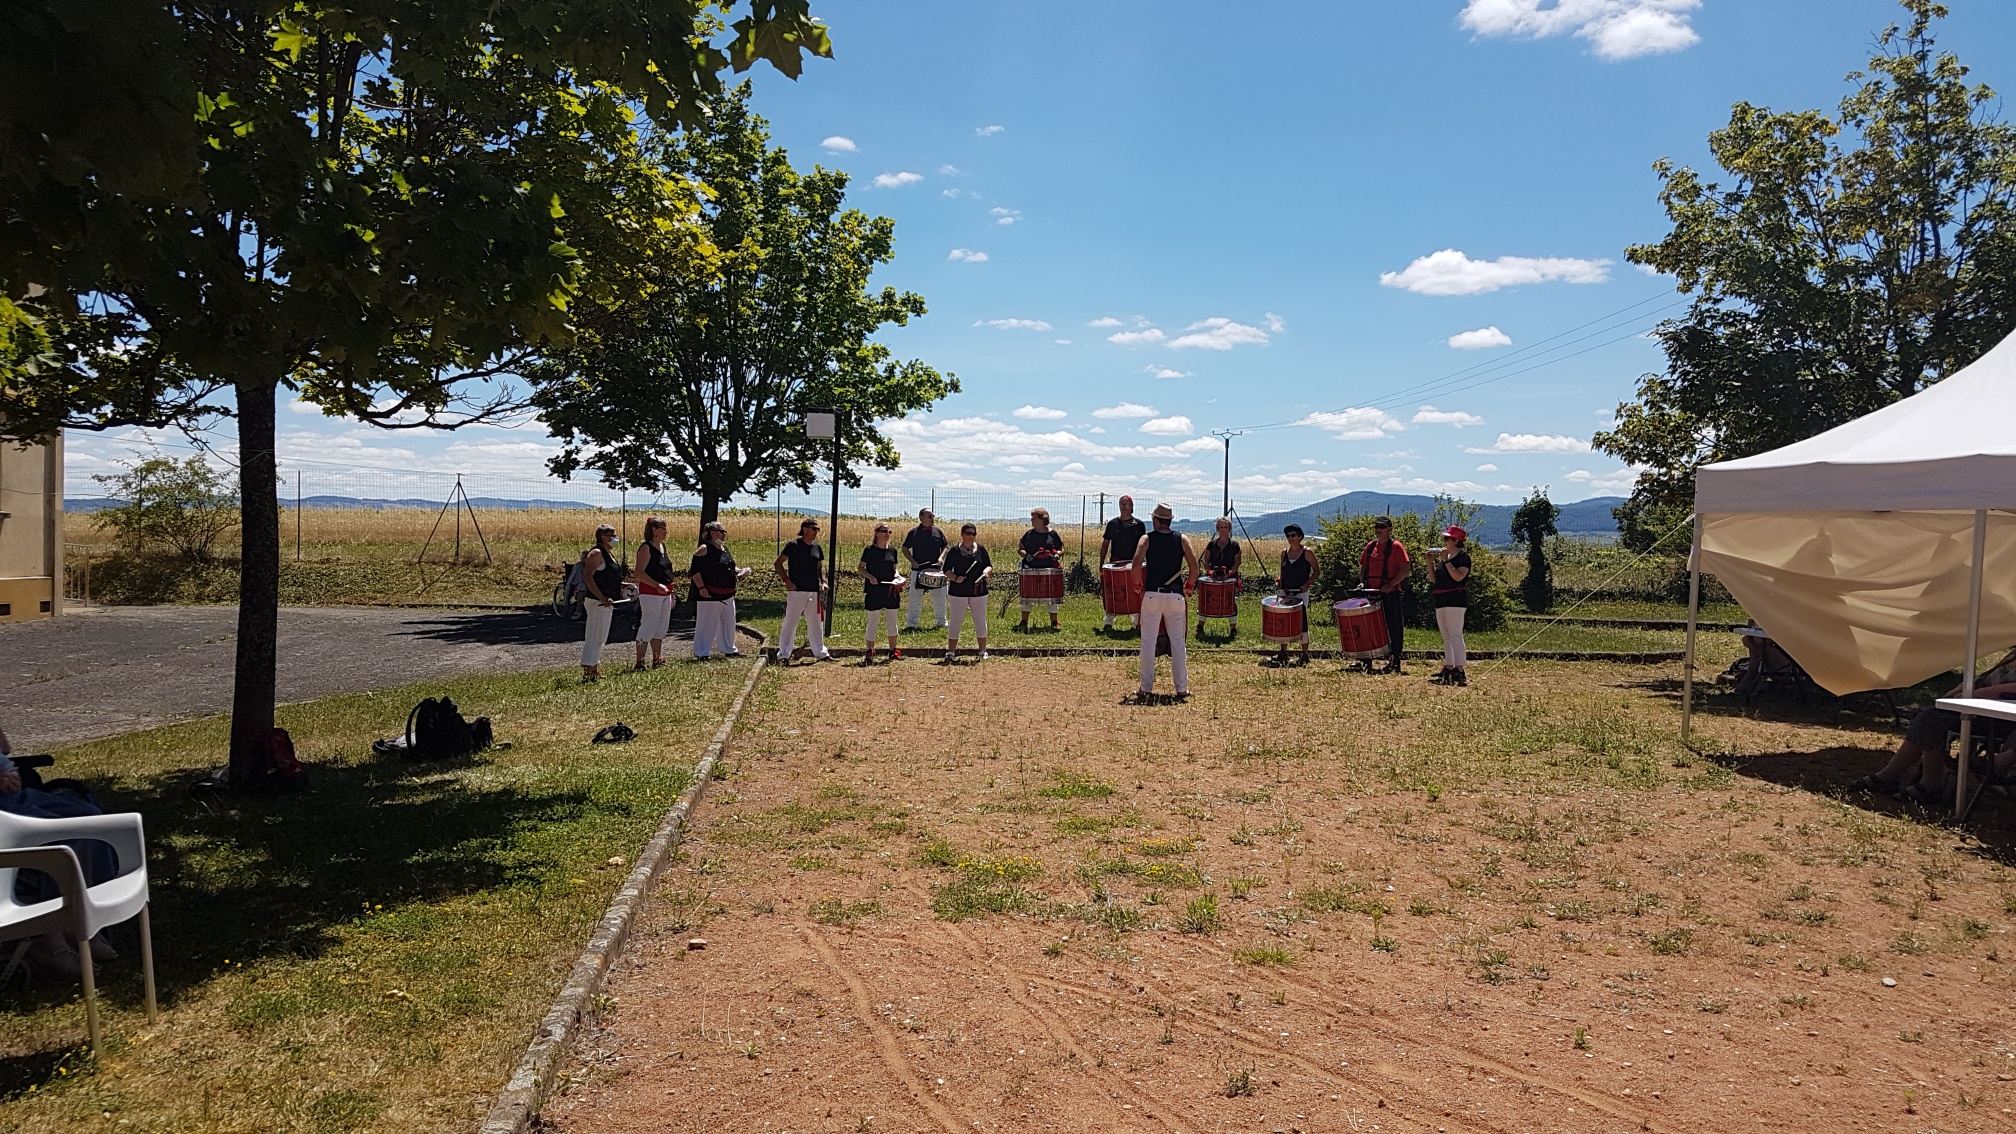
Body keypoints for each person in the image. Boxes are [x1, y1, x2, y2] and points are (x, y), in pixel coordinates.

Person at [0, 726, 119, 976]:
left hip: (16, 794)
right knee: (59, 837)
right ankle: (50, 936)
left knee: (93, 822)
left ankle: (83, 922)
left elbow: (5, 748)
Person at [1854, 652, 2016, 799]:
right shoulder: (2011, 657)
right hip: (1980, 709)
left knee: (1933, 719)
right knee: (1930, 715)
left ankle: (1930, 783)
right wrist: (1960, 691)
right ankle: (1890, 776)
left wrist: (1971, 694)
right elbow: (1984, 680)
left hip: (2003, 719)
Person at [1130, 502, 1199, 698]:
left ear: (1155, 520)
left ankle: (1146, 687)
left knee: (1148, 642)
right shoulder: (1182, 539)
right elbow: (1194, 568)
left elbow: (1136, 565)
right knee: (1178, 643)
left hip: (1152, 594)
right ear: (1169, 520)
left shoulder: (1147, 539)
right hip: (1176, 596)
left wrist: (1137, 586)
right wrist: (1189, 586)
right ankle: (1181, 688)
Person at [774, 518, 833, 663]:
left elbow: (820, 567)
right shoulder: (793, 545)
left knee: (816, 622)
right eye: (814, 529)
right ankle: (783, 655)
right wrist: (787, 581)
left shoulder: (816, 548)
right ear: (805, 529)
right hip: (796, 591)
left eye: (817, 529)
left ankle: (820, 652)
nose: (816, 532)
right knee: (791, 621)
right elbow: (778, 563)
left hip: (813, 590)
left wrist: (823, 581)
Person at [1360, 516, 1411, 674]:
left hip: (1390, 593)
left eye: (1381, 527)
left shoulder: (1396, 547)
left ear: (1390, 529)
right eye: (1376, 527)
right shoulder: (1370, 547)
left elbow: (1405, 568)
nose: (1378, 530)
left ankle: (1395, 660)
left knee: (1393, 627)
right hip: (1371, 593)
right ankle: (1367, 659)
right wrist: (1362, 582)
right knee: (1369, 627)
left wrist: (1391, 584)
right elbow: (1363, 567)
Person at [689, 520, 744, 660]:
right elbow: (695, 571)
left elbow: (728, 567)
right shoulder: (704, 549)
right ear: (712, 533)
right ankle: (702, 652)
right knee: (706, 623)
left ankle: (729, 648)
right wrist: (701, 587)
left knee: (729, 622)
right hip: (710, 594)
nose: (724, 534)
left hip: (728, 593)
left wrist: (739, 571)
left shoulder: (724, 548)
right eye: (722, 531)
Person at [1426, 525, 1471, 686]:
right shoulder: (1447, 559)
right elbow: (1434, 579)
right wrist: (1430, 562)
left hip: (1455, 600)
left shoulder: (1463, 558)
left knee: (1455, 634)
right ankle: (1449, 665)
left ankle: (1459, 668)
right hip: (1441, 598)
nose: (1444, 541)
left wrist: (1445, 561)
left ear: (1456, 541)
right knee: (1446, 635)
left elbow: (1458, 577)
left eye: (1447, 539)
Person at [579, 523, 624, 682]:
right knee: (595, 634)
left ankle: (594, 667)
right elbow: (588, 577)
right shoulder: (596, 553)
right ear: (604, 537)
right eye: (613, 535)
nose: (616, 538)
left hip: (608, 602)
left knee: (601, 636)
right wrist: (601, 597)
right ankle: (588, 670)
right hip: (598, 602)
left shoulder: (609, 554)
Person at [943, 523, 993, 662]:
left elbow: (988, 565)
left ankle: (983, 651)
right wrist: (955, 578)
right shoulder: (954, 550)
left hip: (979, 590)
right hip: (958, 591)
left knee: (980, 620)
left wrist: (986, 572)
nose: (971, 536)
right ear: (962, 534)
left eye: (973, 533)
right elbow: (946, 570)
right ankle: (951, 651)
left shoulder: (981, 549)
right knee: (956, 620)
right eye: (968, 533)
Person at [1270, 523, 1318, 667]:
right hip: (1285, 591)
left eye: (1293, 535)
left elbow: (1316, 571)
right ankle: (1283, 651)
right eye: (1288, 536)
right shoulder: (1284, 553)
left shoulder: (1307, 553)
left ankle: (1304, 653)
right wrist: (1279, 580)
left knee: (1302, 622)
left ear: (1300, 537)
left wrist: (1307, 584)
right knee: (1283, 621)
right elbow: (1282, 571)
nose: (1290, 538)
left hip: (1301, 593)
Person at [860, 523, 907, 663]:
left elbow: (894, 570)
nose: (887, 534)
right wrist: (871, 577)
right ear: (876, 533)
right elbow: (861, 568)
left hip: (890, 591)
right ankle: (870, 651)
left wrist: (898, 577)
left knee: (892, 622)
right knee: (873, 622)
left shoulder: (893, 551)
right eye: (884, 531)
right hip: (874, 591)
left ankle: (892, 651)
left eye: (889, 531)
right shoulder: (869, 550)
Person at [1099, 495, 1147, 631]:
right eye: (1121, 504)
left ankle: (1137, 621)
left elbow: (1143, 545)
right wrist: (1101, 564)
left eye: (1126, 504)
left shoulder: (1139, 525)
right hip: (1116, 563)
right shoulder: (1113, 524)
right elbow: (1105, 544)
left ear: (1132, 507)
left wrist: (1142, 563)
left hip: (1134, 563)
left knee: (1135, 591)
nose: (1123, 507)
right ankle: (1109, 620)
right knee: (1114, 591)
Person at [632, 517, 674, 670]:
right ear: (654, 530)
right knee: (649, 624)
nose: (666, 531)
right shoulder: (646, 548)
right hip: (651, 593)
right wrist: (656, 585)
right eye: (663, 528)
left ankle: (657, 657)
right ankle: (640, 661)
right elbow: (639, 572)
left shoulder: (662, 546)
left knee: (661, 627)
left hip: (665, 592)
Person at [1017, 508, 1064, 632]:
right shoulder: (1028, 534)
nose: (1031, 520)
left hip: (1049, 569)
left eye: (1034, 518)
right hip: (1031, 568)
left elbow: (1061, 548)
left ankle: (1054, 621)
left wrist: (1058, 554)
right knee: (1028, 595)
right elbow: (1020, 548)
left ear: (1042, 519)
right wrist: (1026, 555)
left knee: (1052, 596)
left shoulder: (1053, 534)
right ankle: (1024, 621)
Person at [903, 508, 950, 630]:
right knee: (915, 598)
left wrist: (941, 558)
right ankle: (912, 624)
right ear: (921, 517)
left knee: (940, 598)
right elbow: (904, 548)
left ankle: (941, 622)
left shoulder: (938, 532)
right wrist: (912, 561)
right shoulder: (913, 533)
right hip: (918, 570)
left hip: (936, 570)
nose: (932, 518)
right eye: (929, 516)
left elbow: (945, 546)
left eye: (933, 516)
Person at [1199, 516, 1243, 637]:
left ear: (1229, 528)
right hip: (1213, 577)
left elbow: (1237, 562)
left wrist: (1229, 573)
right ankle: (1200, 626)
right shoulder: (1211, 544)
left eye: (1226, 526)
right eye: (1221, 526)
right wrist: (1209, 572)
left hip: (1229, 578)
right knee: (1206, 600)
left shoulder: (1234, 545)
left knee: (1230, 601)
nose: (1223, 529)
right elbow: (1206, 560)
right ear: (1217, 528)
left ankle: (1233, 629)